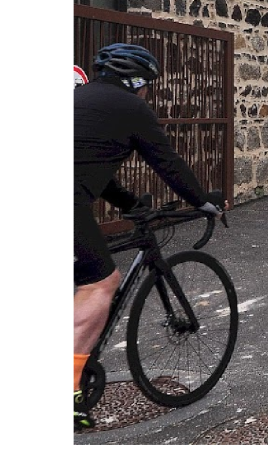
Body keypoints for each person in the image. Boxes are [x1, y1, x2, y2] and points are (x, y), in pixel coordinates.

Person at [73, 44, 225, 430]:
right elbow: (166, 162)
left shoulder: (80, 100)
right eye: (148, 86)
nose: (147, 93)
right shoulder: (131, 108)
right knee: (101, 283)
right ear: (137, 81)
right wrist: (203, 201)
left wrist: (126, 203)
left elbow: (88, 163)